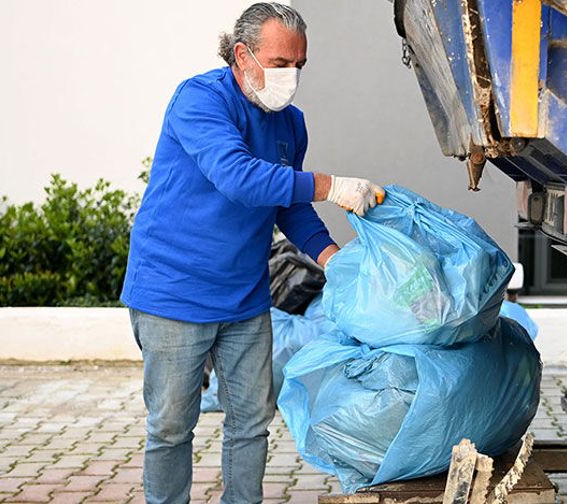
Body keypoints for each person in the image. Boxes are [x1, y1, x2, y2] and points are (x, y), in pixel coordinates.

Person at [119, 3, 384, 503]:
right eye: (281, 63)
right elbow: (238, 177)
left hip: (244, 299)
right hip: (173, 293)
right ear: (243, 55)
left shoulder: (290, 123)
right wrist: (330, 184)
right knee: (173, 426)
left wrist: (334, 260)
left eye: (299, 66)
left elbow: (290, 205)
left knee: (251, 424)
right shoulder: (198, 101)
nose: (292, 77)